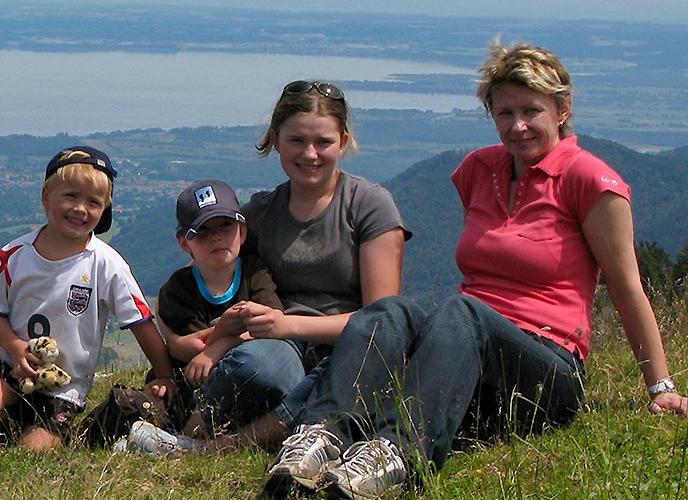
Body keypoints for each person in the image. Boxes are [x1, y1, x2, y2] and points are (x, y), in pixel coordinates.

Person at [264, 42, 688, 498]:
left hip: (547, 367)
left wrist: (659, 387)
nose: (518, 125)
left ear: (562, 109)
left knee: (461, 310)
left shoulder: (590, 181)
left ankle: (395, 455)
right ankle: (317, 439)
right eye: (504, 112)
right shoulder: (478, 170)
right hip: (467, 354)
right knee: (388, 312)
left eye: (532, 111)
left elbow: (626, 289)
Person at [188, 79, 410, 452]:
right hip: (281, 346)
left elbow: (380, 321)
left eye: (323, 142)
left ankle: (215, 446)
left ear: (343, 141)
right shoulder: (259, 213)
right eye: (297, 141)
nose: (310, 154)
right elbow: (215, 278)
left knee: (335, 376)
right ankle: (197, 424)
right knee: (256, 367)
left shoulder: (370, 205)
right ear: (276, 140)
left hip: (349, 345)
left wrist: (287, 324)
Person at [0, 146, 177, 450]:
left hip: (63, 387)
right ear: (47, 197)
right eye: (70, 196)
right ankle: (2, 422)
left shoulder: (106, 264)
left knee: (33, 453)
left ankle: (58, 431)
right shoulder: (13, 255)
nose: (81, 209)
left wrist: (164, 375)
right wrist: (16, 348)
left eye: (93, 202)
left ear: (104, 209)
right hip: (9, 365)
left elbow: (141, 322)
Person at [124, 179, 284, 454]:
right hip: (191, 389)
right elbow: (192, 351)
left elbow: (273, 321)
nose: (216, 236)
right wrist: (231, 333)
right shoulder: (178, 289)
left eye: (226, 226)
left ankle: (185, 441)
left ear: (242, 232)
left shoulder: (255, 272)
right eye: (203, 231)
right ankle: (180, 439)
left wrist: (220, 342)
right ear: (185, 243)